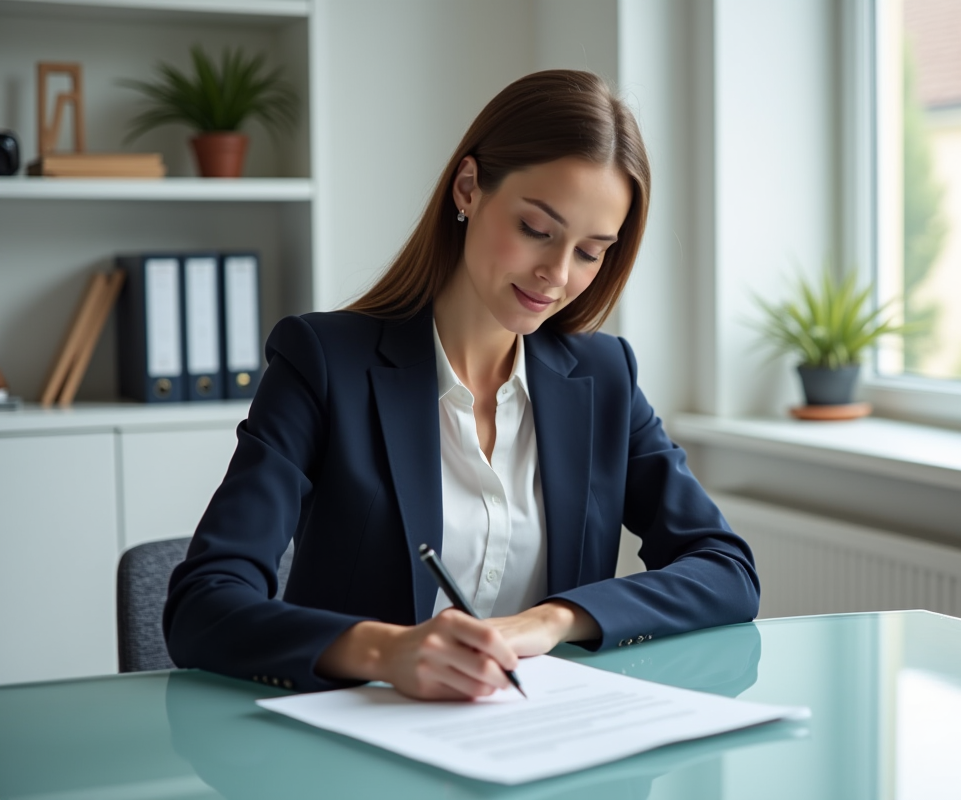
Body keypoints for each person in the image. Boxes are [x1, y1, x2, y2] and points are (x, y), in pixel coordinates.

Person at [164, 69, 760, 700]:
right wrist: (387, 651)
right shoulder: (323, 362)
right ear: (470, 187)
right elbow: (203, 604)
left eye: (590, 252)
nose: (556, 276)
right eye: (537, 229)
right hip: (359, 748)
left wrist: (550, 621)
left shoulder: (604, 376)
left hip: (546, 745)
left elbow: (725, 570)